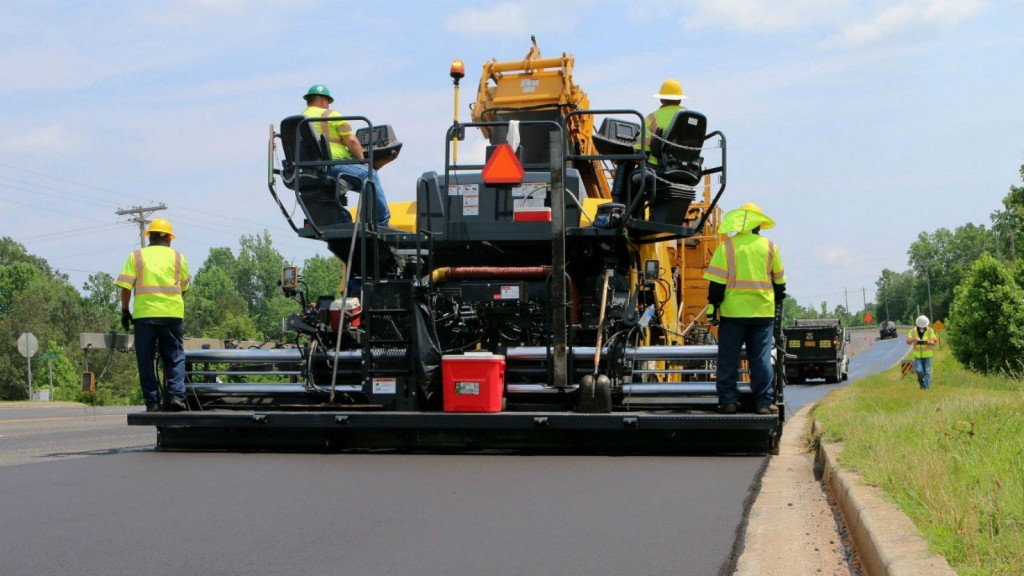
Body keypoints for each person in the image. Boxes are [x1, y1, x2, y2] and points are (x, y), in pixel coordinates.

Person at [704, 203, 786, 414]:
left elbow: (717, 285)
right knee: (760, 359)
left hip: (733, 314)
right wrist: (774, 303)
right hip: (762, 314)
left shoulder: (727, 246)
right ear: (759, 224)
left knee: (728, 359)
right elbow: (780, 284)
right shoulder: (770, 247)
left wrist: (713, 309)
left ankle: (729, 402)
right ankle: (763, 403)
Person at [116, 218, 191, 412]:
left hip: (144, 317)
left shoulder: (136, 257)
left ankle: (152, 403)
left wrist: (125, 311)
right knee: (174, 357)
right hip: (171, 315)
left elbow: (125, 288)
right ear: (169, 238)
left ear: (149, 236)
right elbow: (184, 288)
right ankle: (175, 396)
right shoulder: (178, 257)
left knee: (146, 358)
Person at [302, 84, 390, 227]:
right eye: (328, 103)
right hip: (332, 165)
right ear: (324, 100)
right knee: (370, 175)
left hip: (309, 168)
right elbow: (352, 140)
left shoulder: (301, 119)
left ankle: (343, 221)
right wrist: (363, 161)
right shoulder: (331, 115)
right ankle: (381, 223)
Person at [643, 78, 687, 165]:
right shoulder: (690, 116)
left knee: (632, 176)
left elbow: (641, 148)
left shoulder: (651, 118)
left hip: (657, 167)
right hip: (685, 168)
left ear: (661, 99)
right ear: (680, 100)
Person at [906, 315, 938, 389]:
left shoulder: (930, 330)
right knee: (919, 371)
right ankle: (922, 383)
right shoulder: (913, 331)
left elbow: (934, 341)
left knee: (927, 372)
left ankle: (926, 388)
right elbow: (908, 341)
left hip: (927, 355)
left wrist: (929, 342)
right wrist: (914, 339)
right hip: (917, 356)